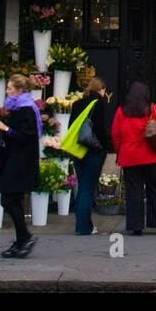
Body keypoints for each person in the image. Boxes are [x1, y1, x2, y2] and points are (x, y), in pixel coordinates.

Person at [111, 82, 156, 236]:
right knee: (155, 190)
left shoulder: (120, 112)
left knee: (133, 191)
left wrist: (120, 152)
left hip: (130, 157)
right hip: (152, 156)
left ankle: (136, 226)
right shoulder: (153, 110)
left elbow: (116, 136)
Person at [0, 73, 40, 258]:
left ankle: (25, 237)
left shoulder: (27, 110)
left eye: (10, 88)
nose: (7, 91)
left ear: (19, 90)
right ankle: (22, 238)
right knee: (13, 199)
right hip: (13, 159)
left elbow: (26, 137)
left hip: (21, 162)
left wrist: (6, 129)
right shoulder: (17, 109)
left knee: (8, 199)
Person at [68, 77, 112, 235]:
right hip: (94, 150)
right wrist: (106, 146)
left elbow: (71, 127)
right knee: (88, 187)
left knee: (82, 187)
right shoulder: (99, 103)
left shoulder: (77, 104)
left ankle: (84, 225)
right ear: (100, 89)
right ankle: (83, 227)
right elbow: (100, 128)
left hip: (78, 150)